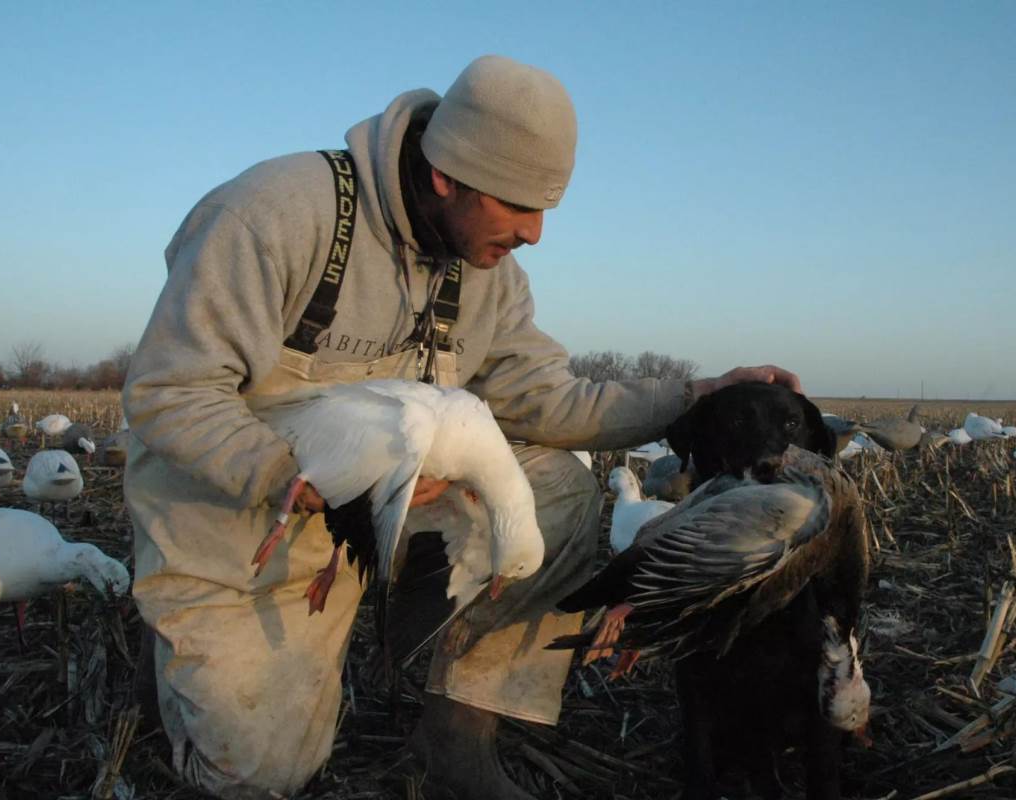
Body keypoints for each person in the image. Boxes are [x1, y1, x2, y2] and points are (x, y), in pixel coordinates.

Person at [123, 53, 801, 800]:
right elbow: (170, 391)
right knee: (261, 775)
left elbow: (549, 399)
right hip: (248, 516)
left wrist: (698, 393)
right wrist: (308, 483)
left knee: (561, 495)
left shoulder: (488, 274)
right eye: (519, 206)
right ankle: (186, 651)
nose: (536, 233)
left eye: (545, 209)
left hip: (393, 504)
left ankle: (458, 739)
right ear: (447, 176)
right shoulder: (273, 216)